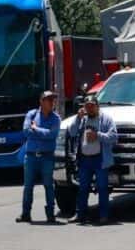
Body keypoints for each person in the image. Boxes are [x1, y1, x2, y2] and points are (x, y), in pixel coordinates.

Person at [71, 94, 117, 224]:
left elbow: (114, 137)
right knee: (82, 188)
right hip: (84, 159)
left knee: (102, 188)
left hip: (100, 159)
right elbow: (72, 132)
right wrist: (77, 118)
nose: (89, 109)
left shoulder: (106, 119)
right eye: (87, 106)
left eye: (92, 106)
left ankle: (103, 216)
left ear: (97, 106)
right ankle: (80, 214)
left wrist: (98, 135)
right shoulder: (82, 119)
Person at [18, 90, 62, 223]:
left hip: (47, 157)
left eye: (53, 100)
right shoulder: (31, 114)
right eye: (49, 100)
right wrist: (43, 133)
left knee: (48, 185)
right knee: (28, 186)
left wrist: (36, 129)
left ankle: (50, 214)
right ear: (41, 102)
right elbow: (26, 131)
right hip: (31, 156)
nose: (52, 102)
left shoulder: (56, 118)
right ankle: (26, 214)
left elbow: (52, 135)